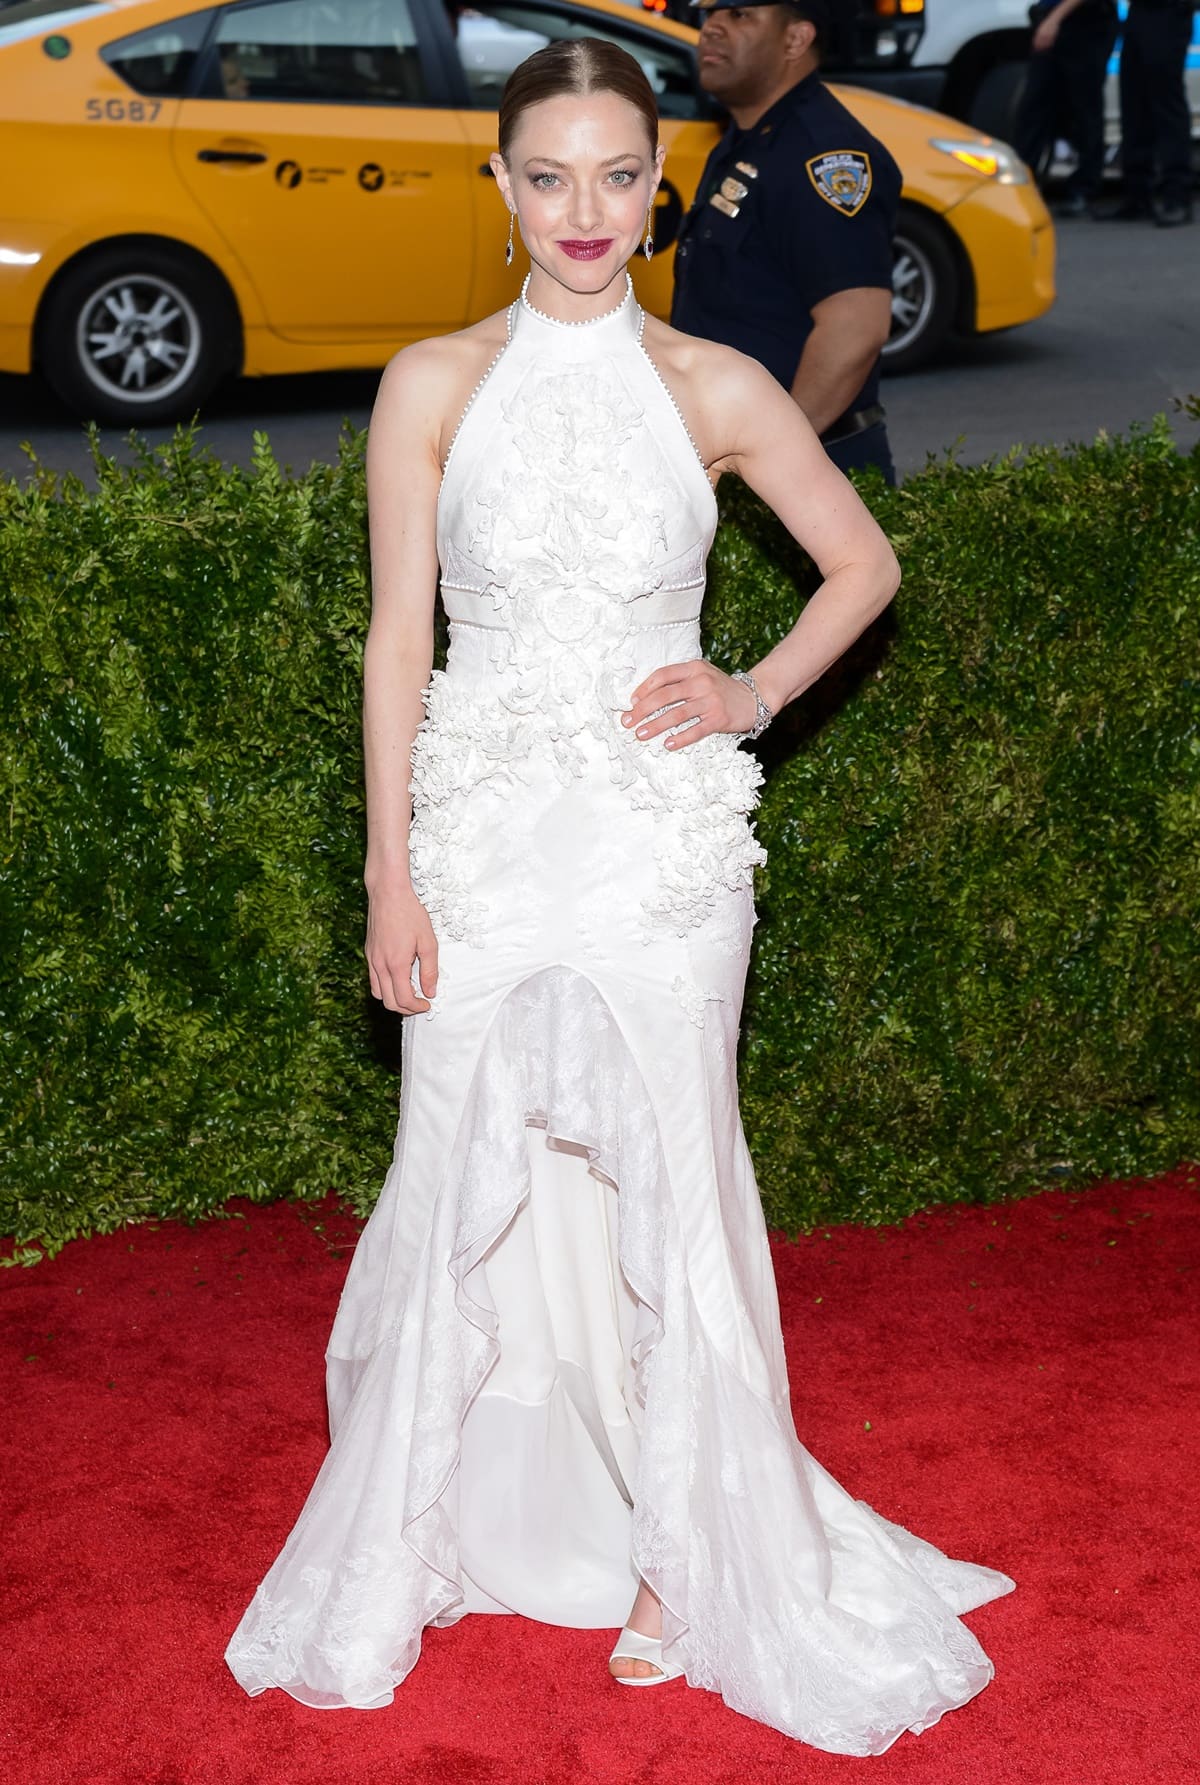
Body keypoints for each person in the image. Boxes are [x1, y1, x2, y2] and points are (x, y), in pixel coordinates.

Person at [224, 37, 1015, 1752]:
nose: (583, 211)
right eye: (548, 176)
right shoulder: (429, 381)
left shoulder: (714, 385)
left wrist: (747, 694)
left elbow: (865, 563)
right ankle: (426, 1523)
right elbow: (398, 635)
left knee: (679, 1172)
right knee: (452, 1165)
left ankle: (683, 1555)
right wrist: (386, 868)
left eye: (613, 177)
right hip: (487, 836)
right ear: (501, 188)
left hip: (659, 853)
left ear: (652, 191)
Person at [671, 0, 901, 483]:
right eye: (708, 14)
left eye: (738, 14)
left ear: (795, 40)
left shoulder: (824, 155)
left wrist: (771, 461)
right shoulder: (746, 140)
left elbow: (854, 328)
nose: (711, 27)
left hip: (809, 469)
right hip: (744, 460)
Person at [1012, 0, 1119, 216]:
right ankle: (1021, 187)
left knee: (1085, 112)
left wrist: (1054, 19)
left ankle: (1084, 190)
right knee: (1033, 110)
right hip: (1056, 20)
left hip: (1085, 22)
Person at [1103, 0, 1195, 225]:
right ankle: (1137, 195)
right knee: (1134, 106)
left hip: (1169, 13)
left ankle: (1178, 197)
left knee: (1166, 108)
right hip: (1140, 12)